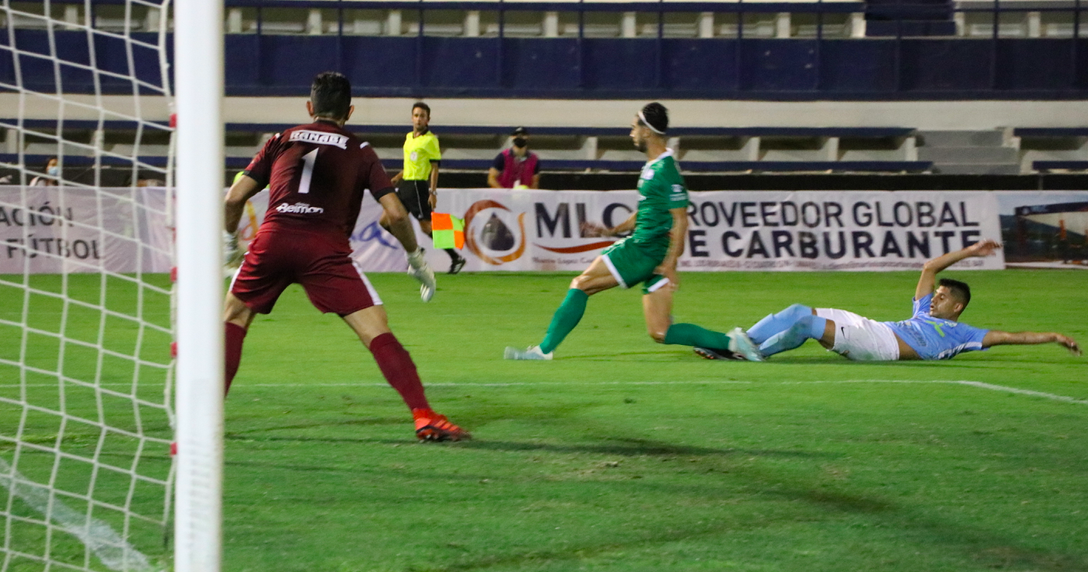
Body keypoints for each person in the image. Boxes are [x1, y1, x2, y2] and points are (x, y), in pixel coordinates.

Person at [222, 72, 468, 441]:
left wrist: (230, 245)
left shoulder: (280, 139)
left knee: (234, 318)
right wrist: (416, 259)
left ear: (310, 107)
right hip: (325, 250)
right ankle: (423, 415)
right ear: (349, 111)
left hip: (273, 240)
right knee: (377, 330)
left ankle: (205, 416)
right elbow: (396, 215)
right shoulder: (361, 150)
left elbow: (233, 198)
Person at [504, 103, 761, 362]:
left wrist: (670, 264)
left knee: (581, 284)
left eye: (633, 127)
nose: (631, 133)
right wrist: (611, 230)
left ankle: (543, 350)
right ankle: (732, 342)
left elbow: (681, 220)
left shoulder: (665, 170)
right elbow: (645, 211)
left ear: (647, 131)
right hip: (653, 251)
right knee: (660, 331)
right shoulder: (653, 167)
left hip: (644, 249)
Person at [699, 239, 1081, 362]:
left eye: (943, 297)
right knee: (798, 310)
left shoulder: (964, 334)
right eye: (937, 293)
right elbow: (930, 267)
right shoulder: (921, 309)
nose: (935, 297)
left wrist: (1053, 335)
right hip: (875, 326)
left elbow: (1013, 335)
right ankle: (739, 343)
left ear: (957, 307)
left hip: (881, 347)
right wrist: (971, 251)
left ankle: (753, 353)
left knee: (805, 325)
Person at [380, 102, 466, 274]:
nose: (419, 119)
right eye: (416, 115)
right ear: (412, 118)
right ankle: (416, 249)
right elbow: (410, 163)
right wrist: (398, 177)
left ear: (428, 120)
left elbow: (434, 168)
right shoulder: (409, 137)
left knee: (426, 227)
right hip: (405, 184)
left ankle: (456, 257)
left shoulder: (431, 140)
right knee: (385, 221)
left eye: (422, 116)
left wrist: (432, 192)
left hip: (418, 186)